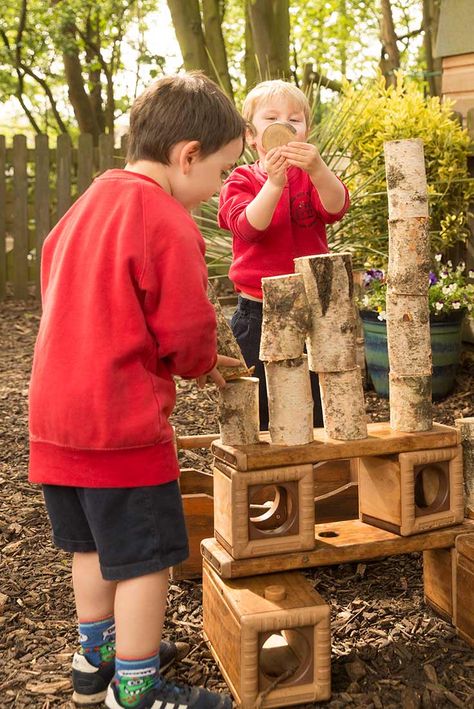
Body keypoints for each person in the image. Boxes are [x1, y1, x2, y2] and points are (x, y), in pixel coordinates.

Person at [28, 72, 246, 709]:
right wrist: (201, 361)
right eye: (223, 170)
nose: (219, 189)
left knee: (91, 546)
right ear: (187, 155)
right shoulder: (165, 218)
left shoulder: (89, 201)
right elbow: (184, 326)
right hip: (120, 423)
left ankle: (93, 661)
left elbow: (64, 281)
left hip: (57, 416)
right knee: (145, 561)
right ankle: (139, 689)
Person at [218, 80, 350, 430]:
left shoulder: (311, 177)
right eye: (273, 117)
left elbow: (336, 207)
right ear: (250, 134)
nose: (287, 125)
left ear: (306, 131)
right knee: (257, 405)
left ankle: (318, 469)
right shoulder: (242, 179)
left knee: (316, 402)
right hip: (257, 312)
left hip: (312, 309)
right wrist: (274, 184)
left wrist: (319, 169)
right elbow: (248, 227)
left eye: (296, 119)